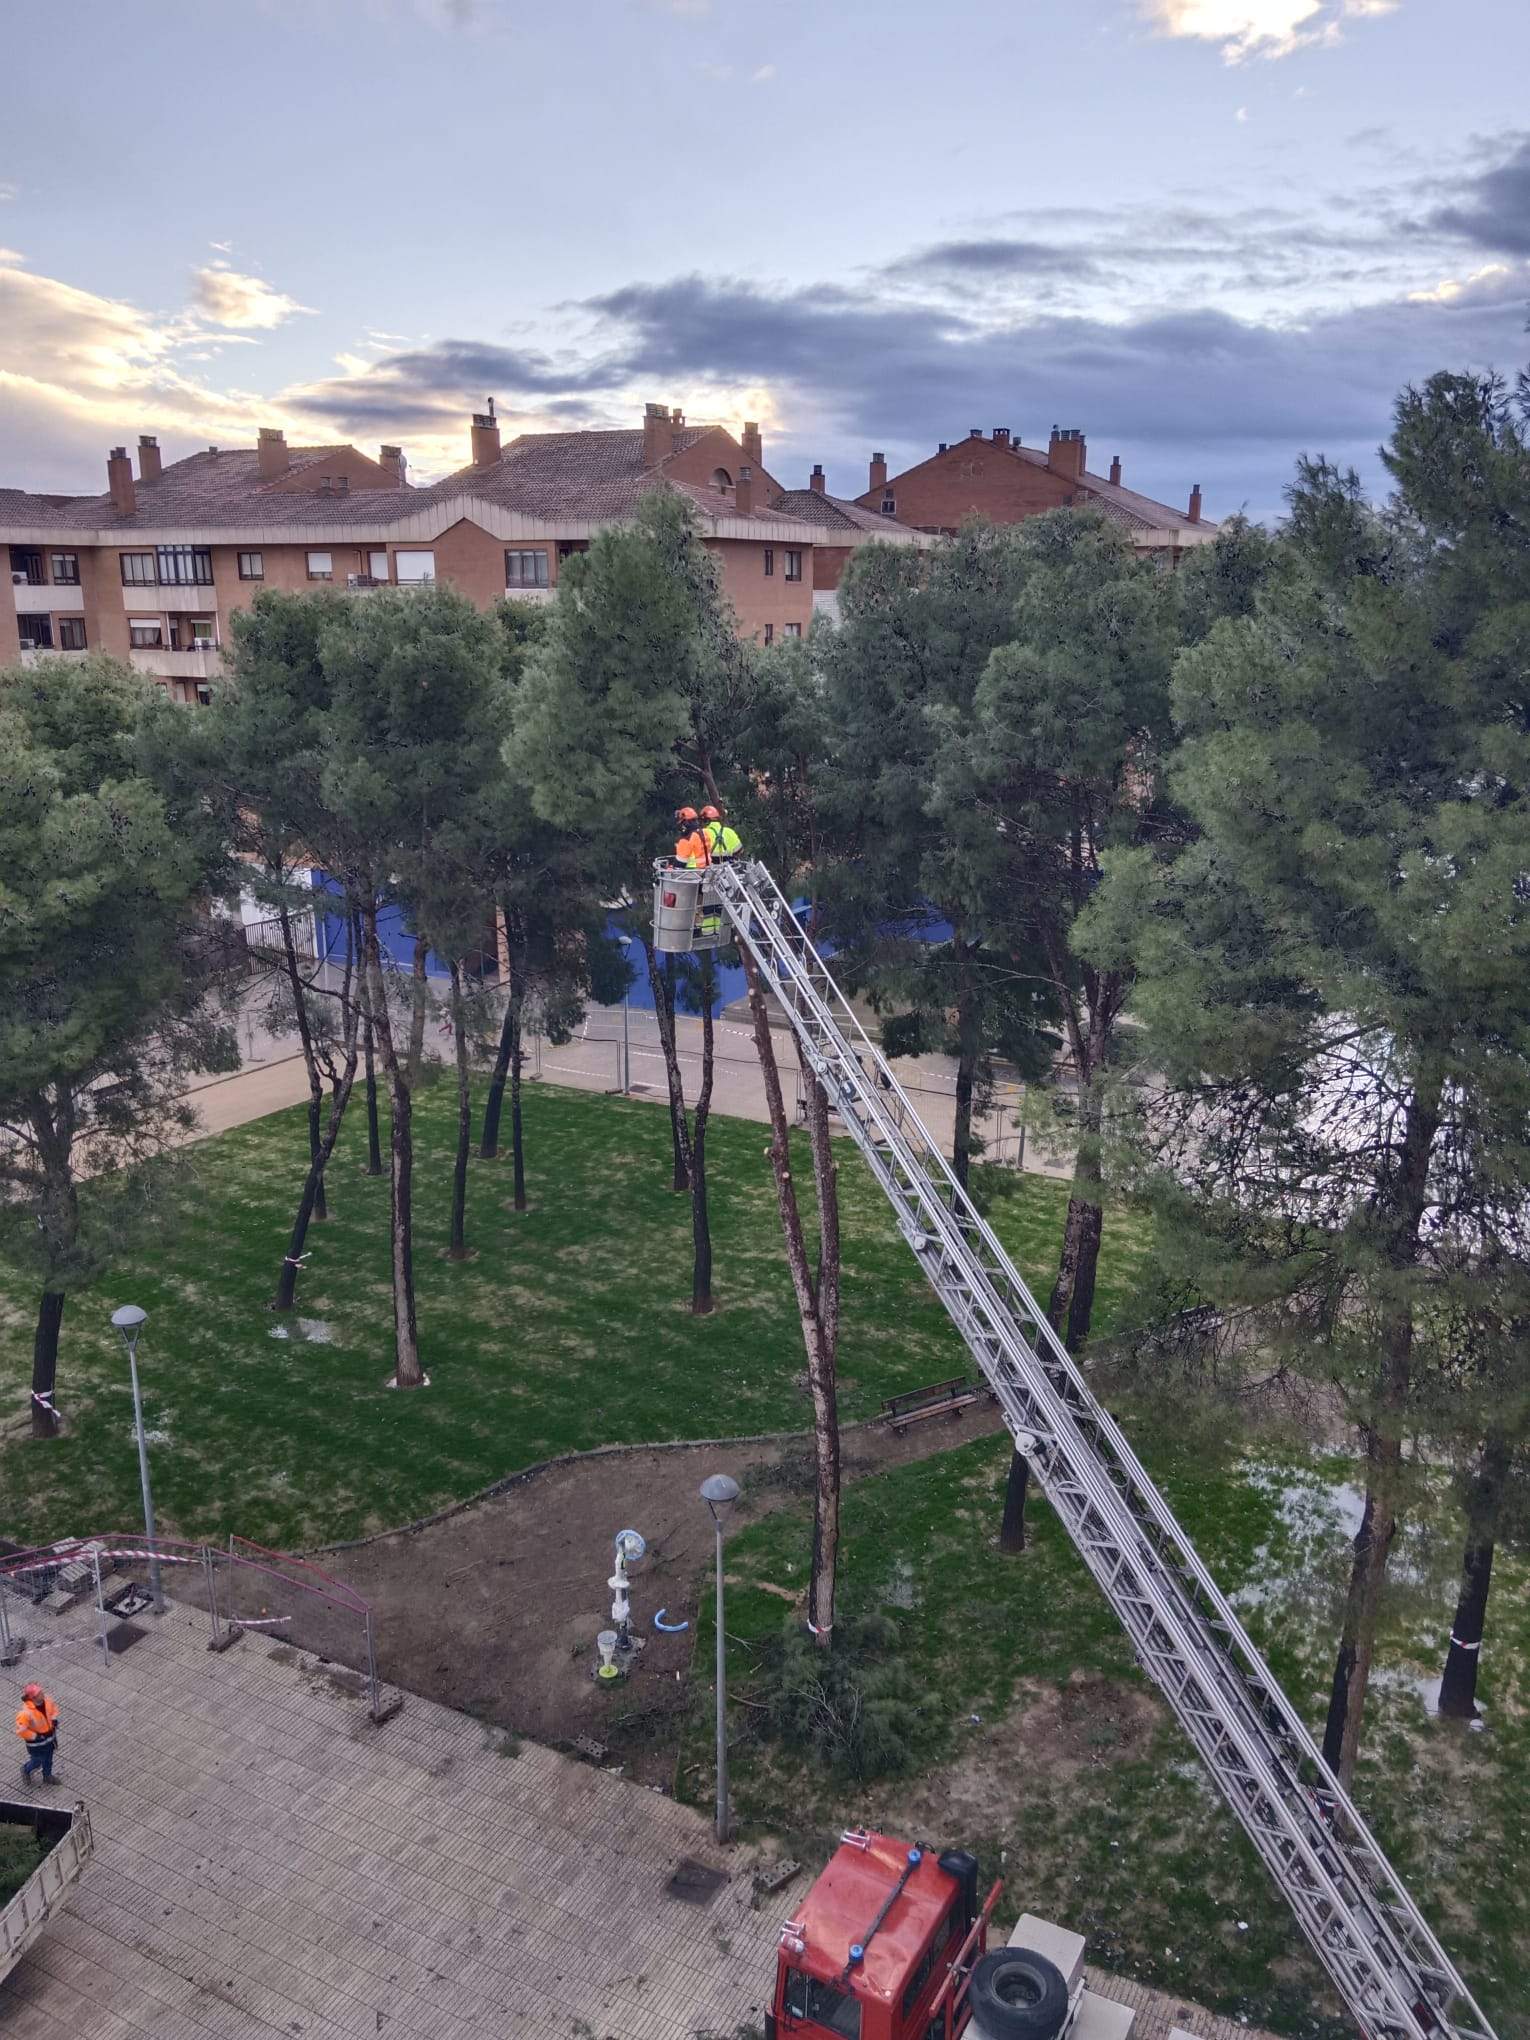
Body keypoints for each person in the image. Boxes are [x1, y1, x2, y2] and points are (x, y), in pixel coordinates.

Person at [16, 1682, 59, 1787]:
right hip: (36, 1744)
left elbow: (53, 1709)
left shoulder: (47, 1701)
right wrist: (35, 1736)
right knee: (37, 1761)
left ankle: (47, 1776)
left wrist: (54, 1719)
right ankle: (26, 1769)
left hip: (49, 1739)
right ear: (34, 1697)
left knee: (49, 1759)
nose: (42, 1694)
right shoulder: (25, 1713)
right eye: (39, 1693)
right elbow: (21, 1730)